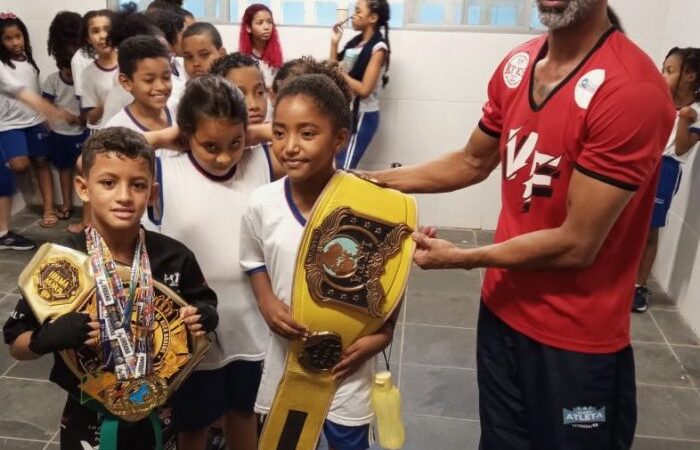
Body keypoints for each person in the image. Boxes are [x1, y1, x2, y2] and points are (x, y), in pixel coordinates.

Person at [365, 0, 675, 448]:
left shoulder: (632, 91)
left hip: (575, 342)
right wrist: (368, 180)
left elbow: (576, 244)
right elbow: (472, 161)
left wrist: (464, 258)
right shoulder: (518, 63)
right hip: (501, 316)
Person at [3, 126, 219, 450]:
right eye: (108, 183)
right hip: (86, 414)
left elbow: (205, 310)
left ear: (153, 193)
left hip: (158, 412)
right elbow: (16, 345)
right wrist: (44, 338)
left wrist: (205, 316)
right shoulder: (61, 263)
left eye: (137, 185)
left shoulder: (175, 257)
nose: (123, 196)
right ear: (83, 188)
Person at [240, 74, 396, 450]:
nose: (290, 147)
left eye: (307, 134)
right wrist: (265, 300)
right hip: (287, 358)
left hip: (349, 363)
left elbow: (389, 276)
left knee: (347, 440)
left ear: (339, 139)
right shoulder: (263, 202)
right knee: (286, 440)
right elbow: (253, 259)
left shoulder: (368, 204)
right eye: (279, 133)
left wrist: (383, 333)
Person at [144, 75, 275, 450]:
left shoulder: (259, 160)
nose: (224, 156)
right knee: (193, 425)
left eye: (235, 143)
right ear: (186, 135)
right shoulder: (166, 167)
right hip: (192, 324)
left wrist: (254, 135)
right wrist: (164, 137)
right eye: (210, 145)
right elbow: (97, 153)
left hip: (250, 320)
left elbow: (294, 136)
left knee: (244, 412)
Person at [633, 47, 700, 312]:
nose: (663, 74)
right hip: (639, 162)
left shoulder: (695, 111)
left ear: (691, 76)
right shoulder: (656, 97)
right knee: (623, 221)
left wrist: (684, 119)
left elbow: (683, 148)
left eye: (670, 70)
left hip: (665, 168)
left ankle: (639, 286)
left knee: (649, 228)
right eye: (663, 68)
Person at [0, 13, 58, 229]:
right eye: (8, 38)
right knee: (20, 164)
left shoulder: (29, 61)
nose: (16, 42)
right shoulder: (2, 64)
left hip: (35, 121)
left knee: (42, 162)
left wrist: (45, 115)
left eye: (19, 36)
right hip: (9, 124)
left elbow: (34, 90)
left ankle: (49, 208)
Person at [330, 0, 390, 170]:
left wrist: (340, 73)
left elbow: (364, 90)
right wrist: (334, 42)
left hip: (362, 116)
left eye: (358, 11)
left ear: (372, 18)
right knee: (333, 165)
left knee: (343, 168)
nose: (353, 15)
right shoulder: (356, 43)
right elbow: (333, 70)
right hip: (347, 112)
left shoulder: (379, 48)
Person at [43, 11, 89, 223]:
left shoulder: (86, 64)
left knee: (86, 167)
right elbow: (46, 105)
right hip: (62, 133)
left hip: (84, 129)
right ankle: (68, 204)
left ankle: (87, 214)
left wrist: (83, 117)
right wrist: (63, 116)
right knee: (65, 168)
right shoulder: (54, 79)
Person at [105, 35, 174, 138]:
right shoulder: (117, 131)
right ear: (126, 82)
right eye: (149, 80)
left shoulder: (179, 112)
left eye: (166, 77)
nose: (161, 87)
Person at [79, 9, 118, 130]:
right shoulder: (88, 74)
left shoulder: (131, 62)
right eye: (95, 31)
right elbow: (91, 118)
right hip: (104, 134)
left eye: (107, 29)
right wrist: (110, 99)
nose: (103, 36)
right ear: (88, 38)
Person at [238, 4, 283, 91]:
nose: (266, 27)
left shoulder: (279, 56)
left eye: (269, 22)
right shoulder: (242, 59)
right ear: (248, 28)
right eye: (260, 23)